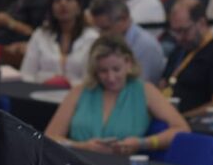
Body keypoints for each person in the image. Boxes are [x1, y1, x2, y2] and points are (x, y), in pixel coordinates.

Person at [44, 35, 188, 154]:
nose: (111, 77)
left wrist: (143, 143)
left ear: (128, 63)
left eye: (116, 69)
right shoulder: (80, 91)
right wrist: (83, 146)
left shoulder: (145, 90)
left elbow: (181, 129)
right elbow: (49, 137)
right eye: (103, 71)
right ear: (94, 70)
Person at [160, 0, 213, 118]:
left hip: (196, 123)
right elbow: (163, 84)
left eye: (184, 30)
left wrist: (183, 118)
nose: (179, 37)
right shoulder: (180, 49)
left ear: (201, 23)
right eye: (175, 32)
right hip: (169, 116)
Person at [20, 0, 99, 86]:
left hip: (77, 95)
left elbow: (92, 78)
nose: (63, 3)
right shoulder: (40, 35)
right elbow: (27, 73)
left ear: (79, 8)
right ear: (51, 8)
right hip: (40, 94)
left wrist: (67, 83)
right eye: (57, 0)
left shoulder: (92, 38)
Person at [87, 0, 165, 84]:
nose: (101, 34)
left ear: (123, 19)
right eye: (98, 29)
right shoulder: (106, 42)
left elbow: (138, 87)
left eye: (106, 29)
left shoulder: (146, 46)